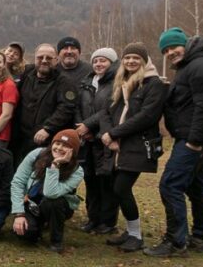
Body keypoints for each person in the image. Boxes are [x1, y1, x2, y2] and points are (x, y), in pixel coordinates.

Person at [145, 28, 203, 257]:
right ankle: (201, 237)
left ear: (186, 44)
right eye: (166, 50)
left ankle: (175, 242)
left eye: (174, 47)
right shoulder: (191, 67)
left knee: (170, 184)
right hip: (194, 136)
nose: (171, 52)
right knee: (195, 184)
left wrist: (194, 141)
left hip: (195, 139)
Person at [90, 43, 166, 252]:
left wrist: (115, 133)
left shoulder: (154, 85)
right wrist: (107, 134)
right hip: (116, 145)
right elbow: (105, 111)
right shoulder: (120, 82)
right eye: (127, 58)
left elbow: (147, 117)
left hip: (137, 145)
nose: (131, 61)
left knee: (121, 188)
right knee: (117, 189)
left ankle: (136, 235)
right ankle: (131, 232)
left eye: (136, 58)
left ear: (144, 60)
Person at [10, 129, 85, 253]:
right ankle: (37, 228)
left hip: (56, 206)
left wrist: (55, 165)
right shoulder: (37, 154)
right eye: (57, 143)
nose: (59, 148)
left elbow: (51, 193)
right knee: (26, 234)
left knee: (53, 201)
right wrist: (19, 214)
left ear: (73, 150)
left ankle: (56, 241)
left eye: (66, 146)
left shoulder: (77, 171)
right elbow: (17, 182)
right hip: (31, 203)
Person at [74, 47, 119, 235]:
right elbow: (77, 106)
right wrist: (83, 129)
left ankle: (107, 222)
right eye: (96, 61)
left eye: (103, 61)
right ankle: (93, 218)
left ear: (112, 63)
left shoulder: (117, 83)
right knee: (90, 179)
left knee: (106, 180)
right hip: (87, 139)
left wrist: (89, 126)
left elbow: (108, 109)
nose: (99, 64)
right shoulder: (86, 82)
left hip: (106, 138)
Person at [11, 44, 77, 163]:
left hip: (45, 139)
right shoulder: (26, 74)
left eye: (49, 58)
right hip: (21, 137)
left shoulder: (65, 82)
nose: (44, 61)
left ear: (56, 60)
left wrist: (48, 128)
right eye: (40, 57)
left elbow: (66, 108)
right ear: (34, 58)